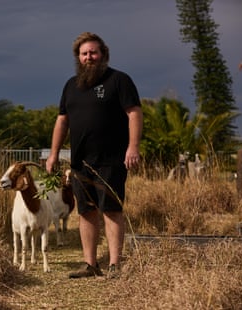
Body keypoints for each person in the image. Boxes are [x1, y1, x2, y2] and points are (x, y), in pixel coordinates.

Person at [46, 32, 143, 279]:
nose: (89, 57)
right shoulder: (71, 85)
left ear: (103, 54)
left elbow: (134, 113)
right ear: (78, 57)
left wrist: (133, 147)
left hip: (111, 160)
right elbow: (62, 121)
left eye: (93, 52)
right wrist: (54, 153)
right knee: (85, 212)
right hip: (80, 161)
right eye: (84, 53)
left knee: (111, 210)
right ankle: (90, 265)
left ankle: (114, 265)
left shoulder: (119, 81)